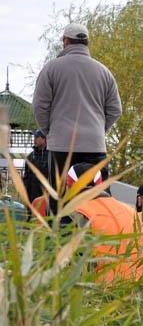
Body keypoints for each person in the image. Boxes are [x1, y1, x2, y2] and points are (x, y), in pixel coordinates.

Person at [32, 22, 122, 212]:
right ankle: (100, 238)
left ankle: (62, 238)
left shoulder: (51, 69)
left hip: (61, 147)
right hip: (95, 146)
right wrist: (98, 129)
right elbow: (115, 110)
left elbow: (40, 107)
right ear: (87, 42)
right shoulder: (103, 71)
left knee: (60, 200)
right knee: (100, 201)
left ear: (66, 41)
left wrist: (50, 133)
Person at [64, 163, 143, 284]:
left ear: (69, 187)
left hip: (108, 291)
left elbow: (69, 263)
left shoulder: (77, 214)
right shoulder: (130, 211)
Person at [23, 129, 52, 217]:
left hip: (46, 193)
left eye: (37, 137)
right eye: (34, 137)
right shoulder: (31, 156)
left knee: (46, 214)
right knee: (31, 215)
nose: (34, 139)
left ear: (44, 139)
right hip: (32, 193)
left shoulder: (51, 155)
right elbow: (26, 176)